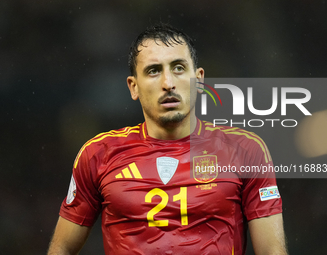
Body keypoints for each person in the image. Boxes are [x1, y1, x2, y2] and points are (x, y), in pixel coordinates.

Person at [47, 23, 288, 255]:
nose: (168, 83)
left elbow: (271, 251)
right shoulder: (98, 154)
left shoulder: (245, 150)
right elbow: (62, 249)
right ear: (134, 87)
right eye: (154, 71)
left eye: (179, 68)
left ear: (200, 80)